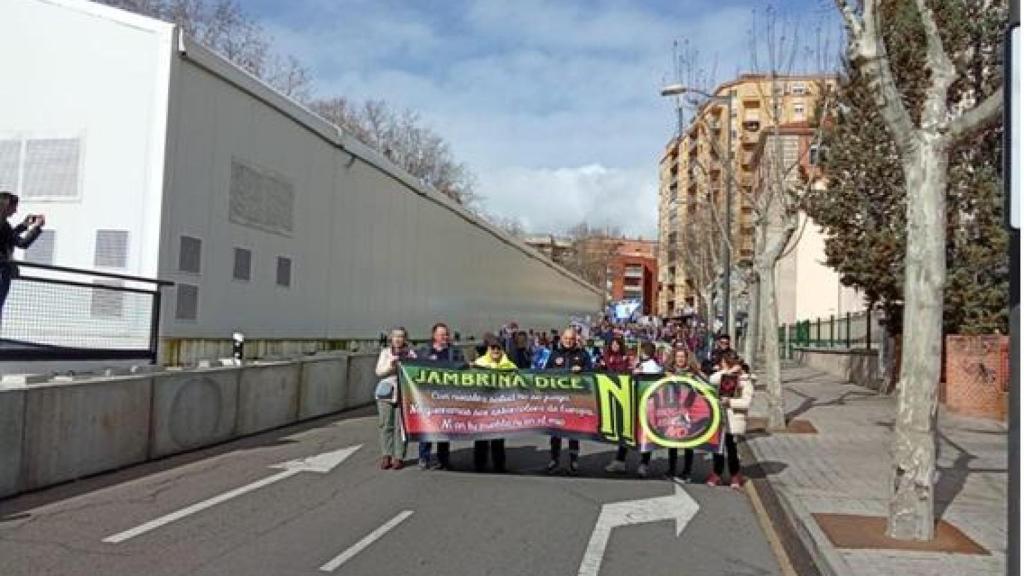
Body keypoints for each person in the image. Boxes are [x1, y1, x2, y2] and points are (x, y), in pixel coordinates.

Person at [605, 341, 662, 477]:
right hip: (633, 401)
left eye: (643, 352)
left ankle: (644, 464)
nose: (641, 354)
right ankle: (620, 460)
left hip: (646, 405)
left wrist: (639, 373)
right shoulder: (638, 363)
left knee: (645, 434)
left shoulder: (652, 366)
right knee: (627, 431)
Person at [416, 322, 466, 470]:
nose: (444, 337)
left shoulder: (455, 352)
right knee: (427, 427)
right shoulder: (424, 351)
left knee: (444, 428)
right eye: (441, 334)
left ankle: (443, 459)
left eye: (446, 334)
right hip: (428, 395)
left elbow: (463, 369)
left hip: (447, 396)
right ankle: (424, 457)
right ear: (434, 336)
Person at [545, 326, 593, 474]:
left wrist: (582, 371)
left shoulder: (583, 354)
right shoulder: (554, 354)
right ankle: (554, 459)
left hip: (575, 398)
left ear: (575, 340)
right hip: (557, 398)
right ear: (561, 339)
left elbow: (591, 372)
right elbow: (545, 373)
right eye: (566, 338)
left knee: (574, 431)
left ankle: (574, 460)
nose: (568, 341)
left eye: (571, 339)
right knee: (556, 431)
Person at [471, 335, 517, 472]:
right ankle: (479, 464)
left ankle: (499, 465)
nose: (496, 351)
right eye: (493, 348)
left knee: (498, 437)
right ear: (488, 349)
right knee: (481, 437)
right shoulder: (479, 363)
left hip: (500, 406)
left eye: (498, 348)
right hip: (482, 405)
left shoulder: (510, 366)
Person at [708, 351, 753, 488]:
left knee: (732, 450)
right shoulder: (723, 376)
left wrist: (731, 403)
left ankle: (735, 475)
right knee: (718, 449)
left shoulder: (745, 381)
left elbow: (747, 402)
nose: (721, 365)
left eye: (724, 363)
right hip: (720, 419)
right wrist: (727, 371)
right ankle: (717, 474)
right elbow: (712, 380)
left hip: (734, 420)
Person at [374, 327, 416, 470]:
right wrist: (391, 367)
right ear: (391, 338)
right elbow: (379, 372)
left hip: (404, 393)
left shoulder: (411, 353)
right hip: (386, 393)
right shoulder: (385, 353)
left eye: (401, 336)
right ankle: (386, 455)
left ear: (405, 339)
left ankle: (399, 457)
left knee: (401, 427)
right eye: (395, 336)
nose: (398, 339)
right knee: (385, 425)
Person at [664, 347, 704, 481]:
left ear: (687, 358)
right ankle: (671, 470)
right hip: (672, 410)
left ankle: (687, 472)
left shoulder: (693, 374)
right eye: (678, 356)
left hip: (689, 411)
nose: (680, 359)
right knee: (672, 440)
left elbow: (704, 386)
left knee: (688, 441)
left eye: (682, 357)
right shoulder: (667, 372)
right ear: (674, 358)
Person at [0, 192, 44, 314]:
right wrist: (37, 228)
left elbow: (7, 237)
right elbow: (22, 243)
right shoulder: (4, 225)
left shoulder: (4, 225)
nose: (15, 211)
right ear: (6, 206)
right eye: (14, 207)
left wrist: (24, 225)